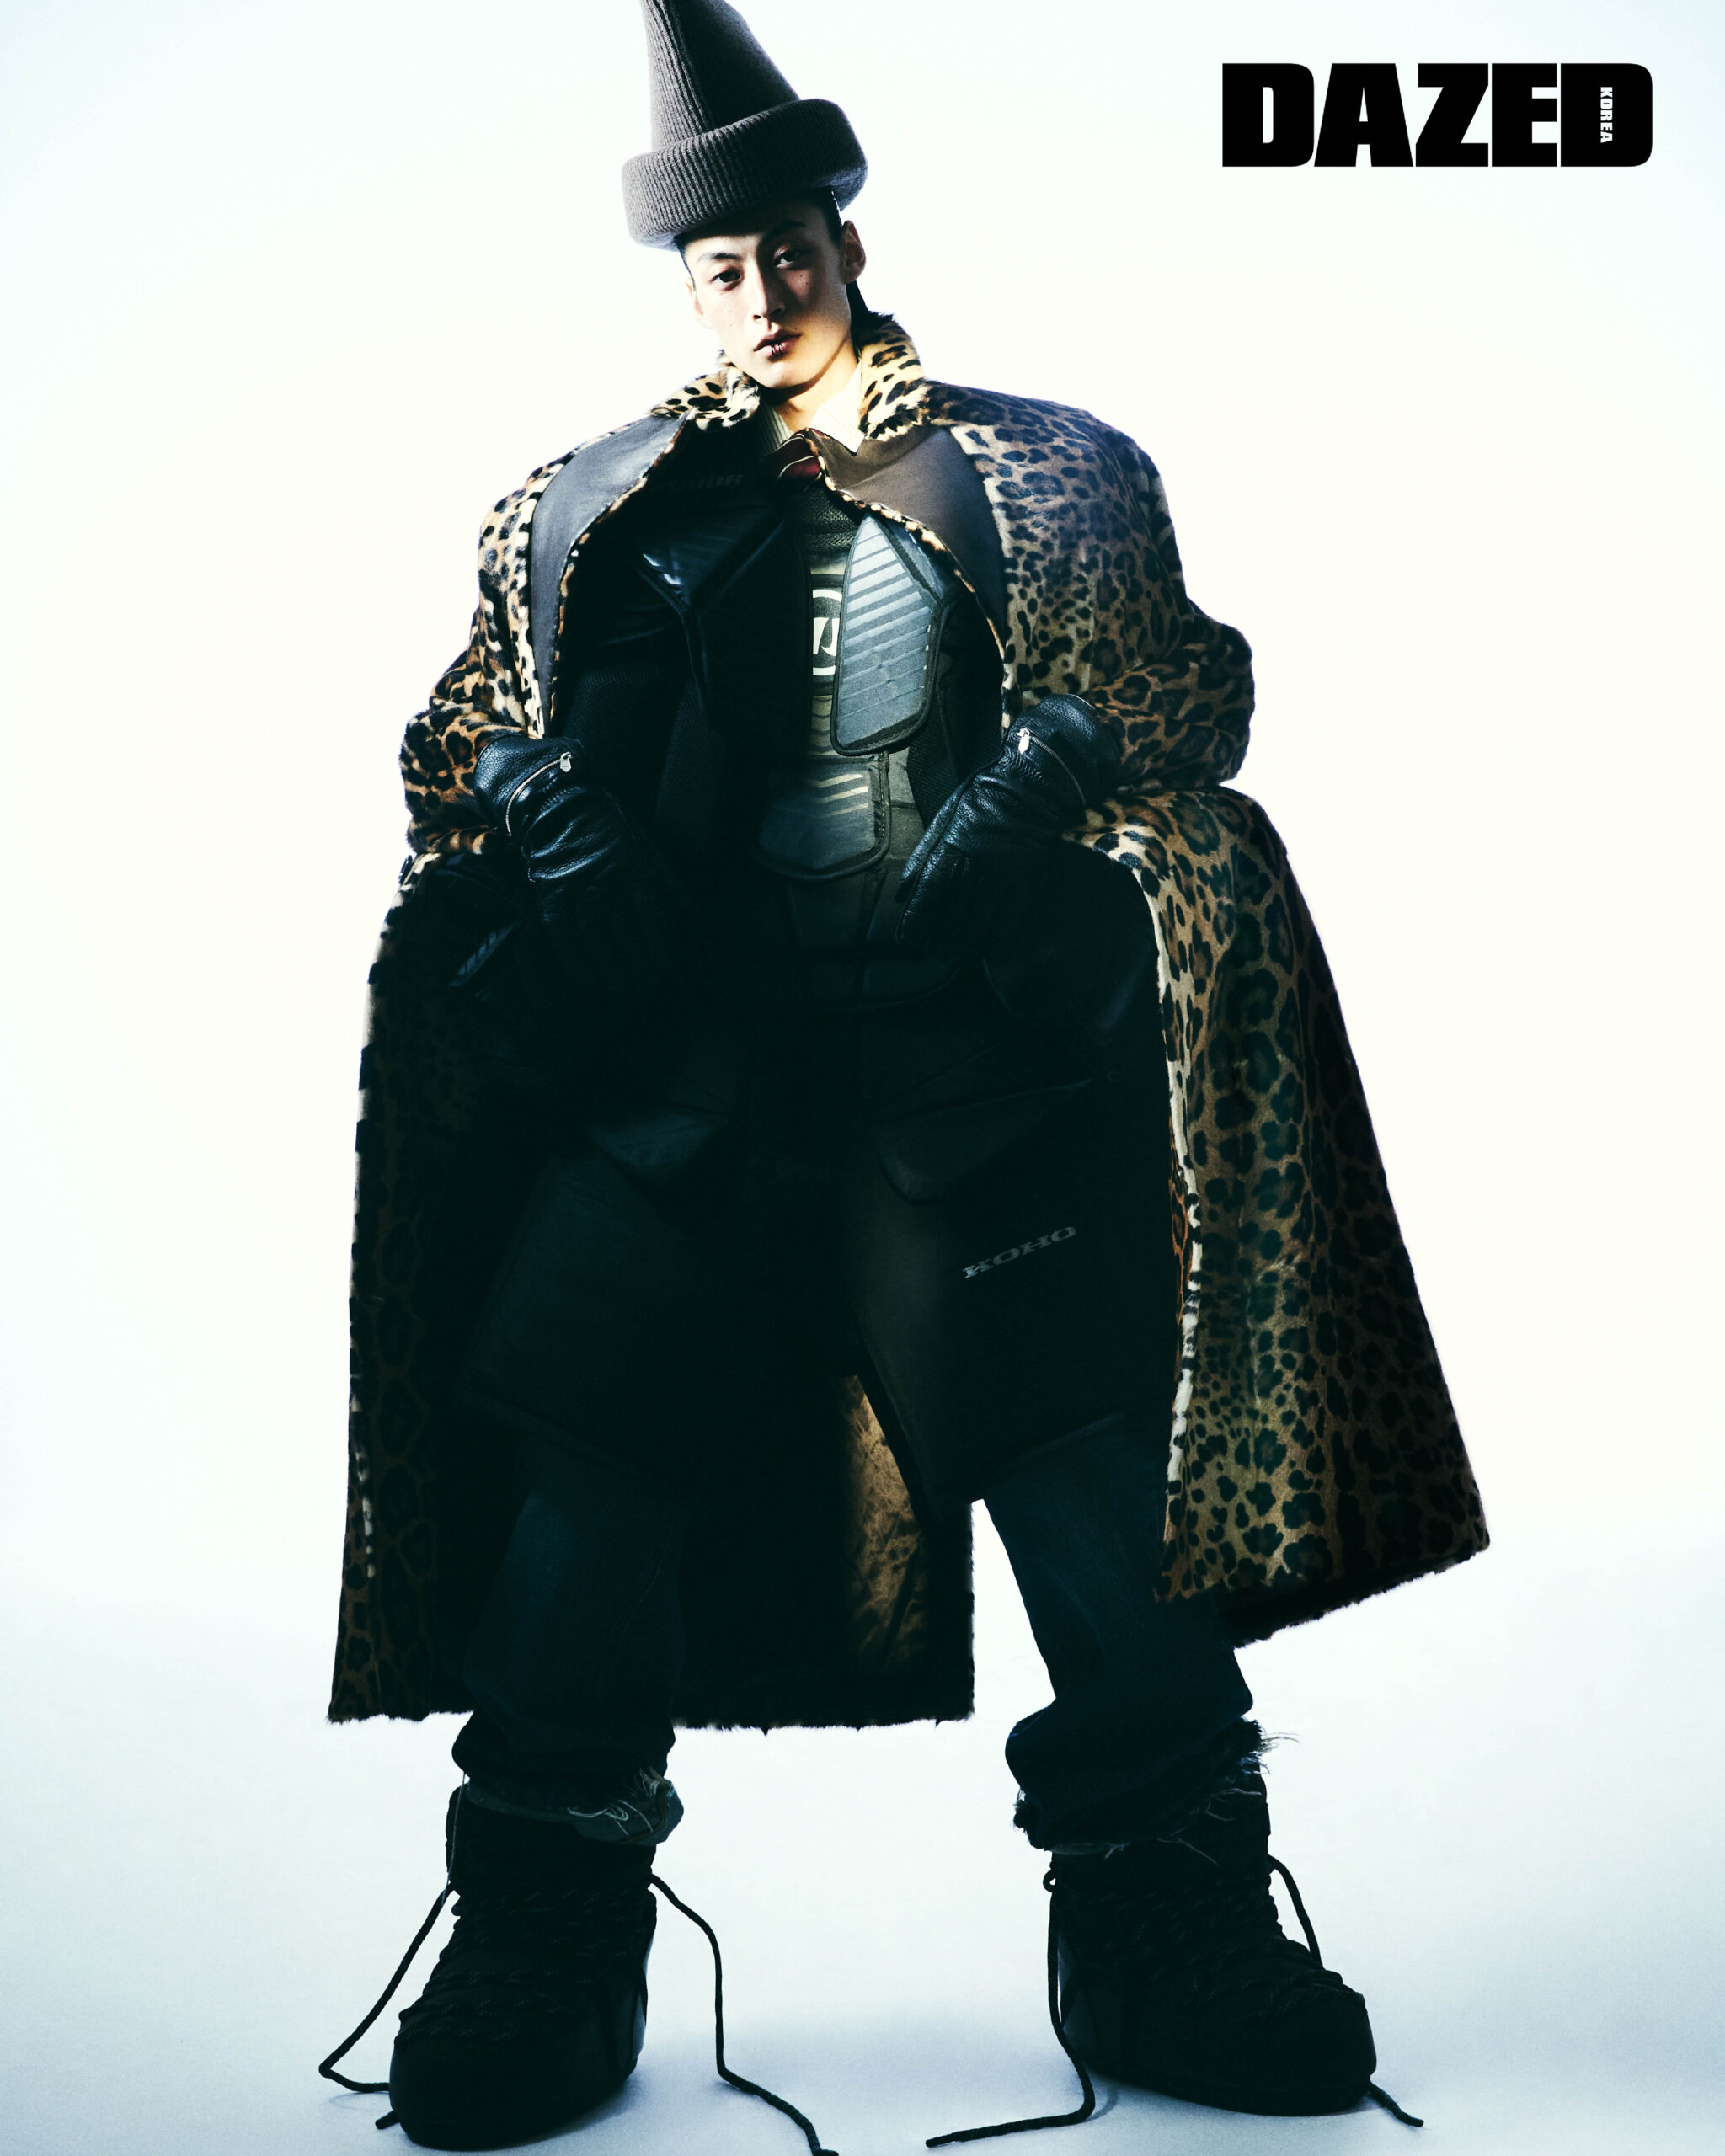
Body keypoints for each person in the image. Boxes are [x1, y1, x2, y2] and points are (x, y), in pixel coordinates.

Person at [323, 3, 1487, 2148]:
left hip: (968, 1077)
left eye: (787, 245)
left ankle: (1165, 1914)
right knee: (583, 1493)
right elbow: (456, 730)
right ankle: (545, 1920)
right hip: (678, 1082)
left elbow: (1185, 692)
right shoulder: (581, 505)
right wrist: (531, 799)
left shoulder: (1043, 470)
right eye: (720, 263)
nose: (762, 288)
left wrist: (1044, 774)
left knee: (1096, 1501)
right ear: (683, 281)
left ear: (843, 235)